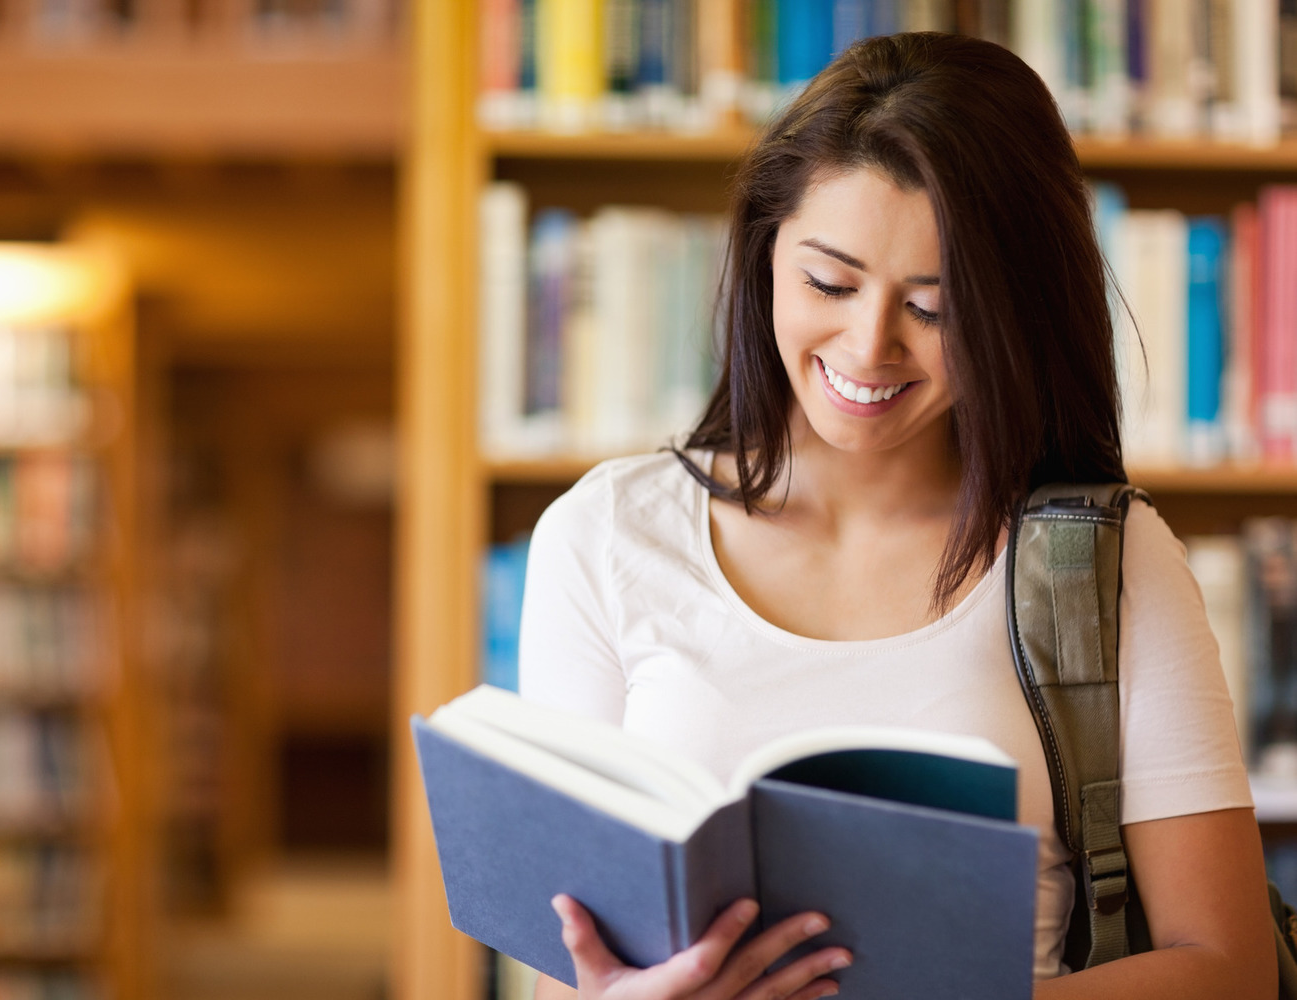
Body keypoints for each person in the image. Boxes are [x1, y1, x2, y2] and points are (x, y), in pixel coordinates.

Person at [516, 31, 1275, 1000]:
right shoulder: (607, 536)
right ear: (764, 255)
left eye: (935, 305)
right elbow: (565, 970)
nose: (869, 346)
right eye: (829, 283)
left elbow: (1230, 968)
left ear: (1013, 312)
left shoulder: (1107, 562)